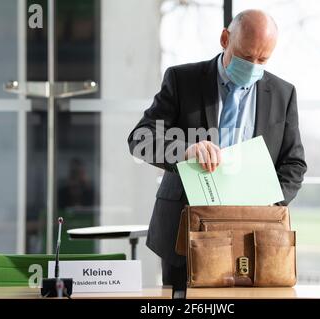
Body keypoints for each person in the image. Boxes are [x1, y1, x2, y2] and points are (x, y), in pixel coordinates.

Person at [127, 9, 307, 290]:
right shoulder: (182, 80)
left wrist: (268, 201)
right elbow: (140, 139)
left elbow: (294, 165)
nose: (254, 66)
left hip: (254, 232)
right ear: (225, 39)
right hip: (185, 231)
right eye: (247, 56)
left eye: (263, 59)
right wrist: (185, 151)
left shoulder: (283, 94)